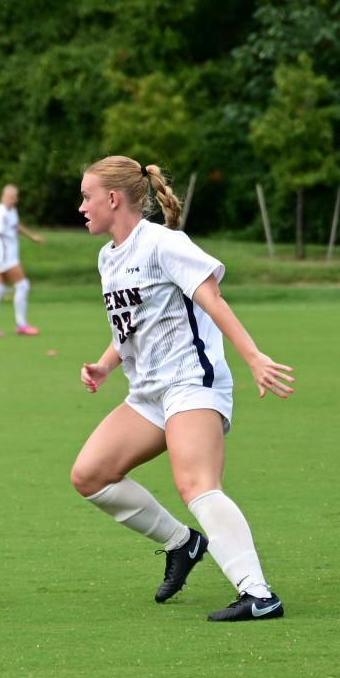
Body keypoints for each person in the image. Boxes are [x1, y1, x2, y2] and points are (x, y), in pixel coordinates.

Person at [68, 155, 294, 621]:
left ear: (113, 199)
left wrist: (254, 356)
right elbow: (131, 323)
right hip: (149, 393)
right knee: (89, 475)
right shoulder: (108, 256)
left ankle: (258, 594)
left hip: (192, 383)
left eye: (87, 197)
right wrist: (107, 365)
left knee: (195, 484)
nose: (81, 207)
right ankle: (182, 543)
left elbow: (211, 298)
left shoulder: (163, 243)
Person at [0, 184, 45, 337]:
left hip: (7, 256)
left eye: (15, 197)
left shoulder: (11, 211)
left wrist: (32, 237)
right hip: (4, 257)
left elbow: (16, 226)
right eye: (11, 197)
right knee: (23, 285)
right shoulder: (0, 213)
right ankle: (21, 325)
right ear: (3, 197)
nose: (13, 200)